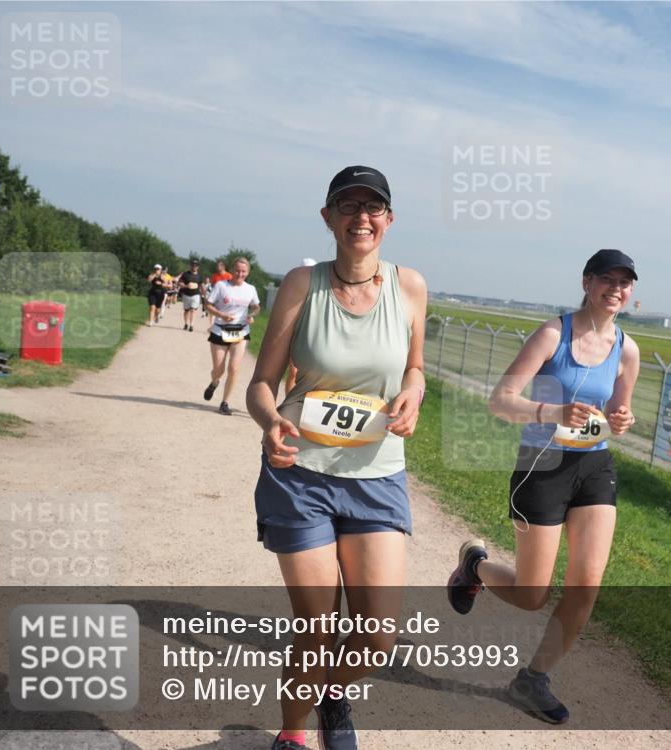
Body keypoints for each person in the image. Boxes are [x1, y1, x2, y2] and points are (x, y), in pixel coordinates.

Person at [246, 166, 426, 750]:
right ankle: (293, 735)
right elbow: (263, 382)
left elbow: (415, 368)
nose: (361, 218)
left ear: (389, 220)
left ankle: (326, 695)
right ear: (328, 218)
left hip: (376, 476)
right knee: (317, 627)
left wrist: (414, 392)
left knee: (377, 636)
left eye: (373, 207)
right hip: (301, 474)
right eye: (347, 206)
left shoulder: (411, 287)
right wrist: (271, 420)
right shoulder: (302, 284)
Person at [447, 248, 640, 724]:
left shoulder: (627, 349)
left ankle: (532, 679)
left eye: (625, 282)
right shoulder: (554, 333)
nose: (616, 289)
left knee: (586, 584)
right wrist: (552, 412)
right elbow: (500, 401)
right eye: (607, 280)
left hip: (594, 467)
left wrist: (623, 419)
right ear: (587, 282)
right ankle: (476, 567)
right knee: (533, 594)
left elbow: (618, 416)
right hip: (543, 465)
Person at [203, 257, 261, 415]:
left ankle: (224, 402)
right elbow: (207, 304)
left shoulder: (250, 289)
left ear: (247, 273)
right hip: (220, 331)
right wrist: (221, 314)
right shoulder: (221, 286)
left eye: (243, 271)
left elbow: (256, 306)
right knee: (219, 370)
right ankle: (214, 382)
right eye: (237, 270)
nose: (240, 273)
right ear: (232, 270)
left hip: (240, 331)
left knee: (234, 368)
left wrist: (252, 314)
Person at [283, 257, 318, 394]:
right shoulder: (294, 289)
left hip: (314, 336)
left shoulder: (320, 291)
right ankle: (288, 404)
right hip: (297, 334)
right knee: (293, 372)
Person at [178, 259, 204, 332]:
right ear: (190, 266)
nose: (194, 267)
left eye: (196, 265)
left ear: (198, 267)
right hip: (186, 294)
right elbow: (180, 283)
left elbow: (202, 286)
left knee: (193, 309)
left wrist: (204, 294)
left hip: (196, 295)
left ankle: (191, 325)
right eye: (193, 265)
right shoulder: (185, 274)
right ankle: (186, 323)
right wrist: (186, 286)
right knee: (186, 310)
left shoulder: (200, 276)